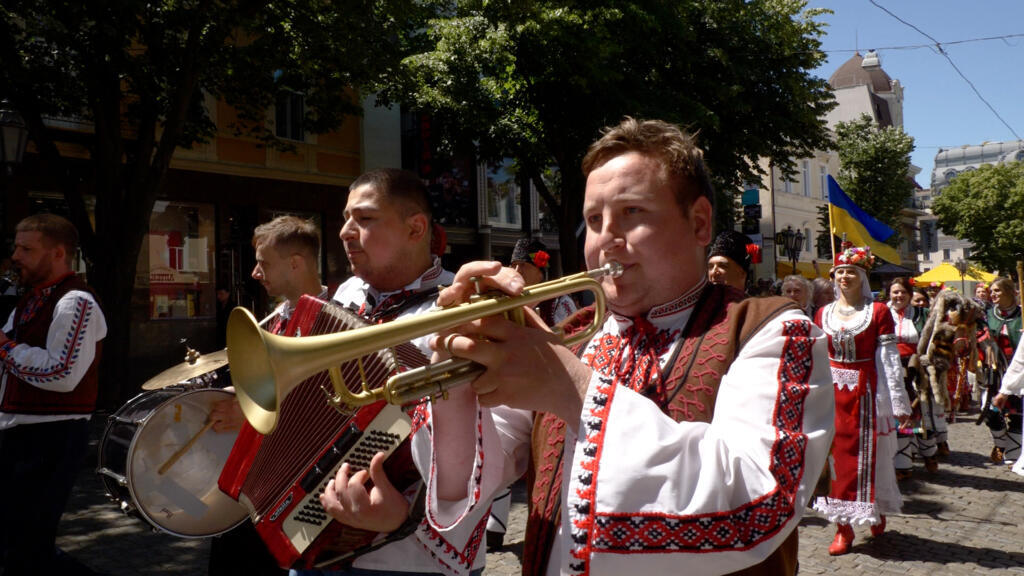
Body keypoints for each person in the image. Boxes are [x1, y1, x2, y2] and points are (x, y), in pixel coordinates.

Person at [419, 118, 835, 574]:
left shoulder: (774, 329)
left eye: (632, 212)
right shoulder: (572, 334)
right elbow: (464, 481)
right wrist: (456, 373)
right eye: (593, 220)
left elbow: (759, 504)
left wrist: (572, 386)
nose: (604, 241)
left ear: (699, 223)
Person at [306, 167, 486, 575]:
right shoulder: (347, 293)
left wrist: (405, 512)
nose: (345, 232)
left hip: (416, 558)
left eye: (365, 218)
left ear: (415, 228)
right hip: (322, 532)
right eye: (346, 218)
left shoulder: (463, 306)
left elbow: (491, 442)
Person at [208, 215, 327, 576]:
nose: (255, 273)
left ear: (296, 263)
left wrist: (249, 412)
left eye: (264, 263)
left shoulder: (335, 319)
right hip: (259, 473)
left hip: (298, 484)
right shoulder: (275, 316)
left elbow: (324, 404)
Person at [0, 214, 108, 575]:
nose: (16, 256)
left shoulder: (76, 301)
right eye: (16, 247)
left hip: (52, 435)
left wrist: (4, 348)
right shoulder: (28, 300)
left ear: (59, 253)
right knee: (17, 544)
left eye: (27, 249)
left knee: (27, 548)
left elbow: (61, 373)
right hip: (19, 432)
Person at [813, 246, 911, 556]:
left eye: (851, 272)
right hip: (830, 396)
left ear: (862, 277)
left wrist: (897, 402)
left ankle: (873, 508)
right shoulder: (822, 313)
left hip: (865, 396)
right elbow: (816, 356)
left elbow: (889, 358)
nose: (844, 276)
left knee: (866, 457)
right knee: (832, 459)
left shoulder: (877, 312)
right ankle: (843, 527)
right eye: (840, 272)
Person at [486, 238, 580, 551]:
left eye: (523, 265)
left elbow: (571, 345)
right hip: (510, 385)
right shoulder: (502, 297)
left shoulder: (559, 301)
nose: (515, 270)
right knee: (497, 444)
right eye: (514, 264)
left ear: (538, 270)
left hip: (548, 388)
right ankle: (493, 524)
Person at [886, 277, 929, 478]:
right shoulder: (882, 313)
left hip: (915, 368)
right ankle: (902, 461)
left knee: (915, 413)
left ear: (910, 295)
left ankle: (923, 451)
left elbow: (932, 340)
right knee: (894, 413)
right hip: (888, 367)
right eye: (895, 292)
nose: (899, 296)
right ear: (889, 294)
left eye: (903, 292)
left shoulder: (922, 314)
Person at [984, 277, 1022, 465]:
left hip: (1018, 371)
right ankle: (1001, 444)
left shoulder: (1022, 314)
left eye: (997, 290)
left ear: (1009, 291)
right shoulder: (988, 315)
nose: (993, 294)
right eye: (991, 291)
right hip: (995, 371)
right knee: (990, 412)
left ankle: (1013, 457)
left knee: (1017, 415)